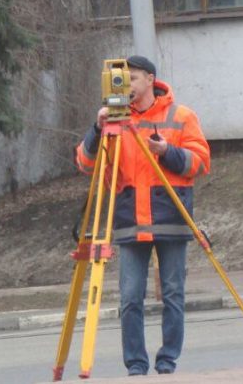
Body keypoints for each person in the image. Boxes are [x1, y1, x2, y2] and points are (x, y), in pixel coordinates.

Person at [75, 55, 211, 376]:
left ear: (150, 79)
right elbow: (85, 164)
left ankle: (167, 363)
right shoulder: (114, 123)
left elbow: (201, 162)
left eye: (132, 78)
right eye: (121, 80)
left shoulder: (181, 116)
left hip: (171, 219)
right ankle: (136, 366)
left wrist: (168, 152)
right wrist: (98, 129)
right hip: (129, 223)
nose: (127, 86)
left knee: (174, 295)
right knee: (130, 298)